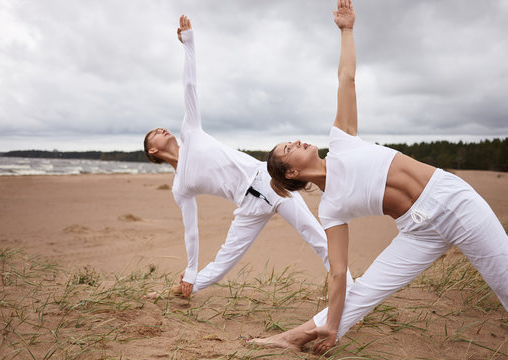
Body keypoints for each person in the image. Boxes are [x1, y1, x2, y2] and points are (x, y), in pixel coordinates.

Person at [250, 0, 508, 354]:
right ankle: (297, 336)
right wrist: (333, 324)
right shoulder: (330, 209)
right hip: (417, 232)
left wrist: (347, 31)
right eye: (289, 148)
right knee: (364, 290)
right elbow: (338, 271)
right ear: (293, 172)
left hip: (452, 202)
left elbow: (346, 77)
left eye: (291, 141)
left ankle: (303, 334)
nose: (297, 141)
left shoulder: (341, 141)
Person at [144, 15, 354, 299]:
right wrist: (192, 268)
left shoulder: (190, 132)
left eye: (161, 127)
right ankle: (183, 288)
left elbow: (190, 86)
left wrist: (189, 43)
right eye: (155, 133)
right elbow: (191, 230)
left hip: (269, 181)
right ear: (152, 151)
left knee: (315, 236)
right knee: (221, 264)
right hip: (247, 208)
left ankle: (350, 292)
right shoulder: (180, 186)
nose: (162, 129)